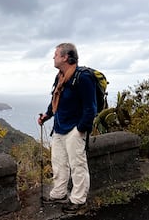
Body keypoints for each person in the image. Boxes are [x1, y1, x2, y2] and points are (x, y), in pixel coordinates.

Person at [38, 43, 97, 213]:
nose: (53, 57)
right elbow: (56, 100)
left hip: (74, 129)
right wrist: (47, 116)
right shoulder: (61, 76)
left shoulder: (83, 77)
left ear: (65, 57)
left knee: (77, 165)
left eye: (56, 54)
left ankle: (78, 200)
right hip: (59, 127)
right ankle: (59, 193)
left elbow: (90, 107)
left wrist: (80, 129)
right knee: (58, 163)